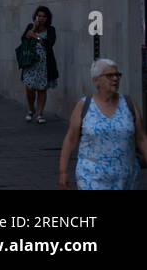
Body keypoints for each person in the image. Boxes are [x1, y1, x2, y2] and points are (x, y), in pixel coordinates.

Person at [59, 58, 147, 190]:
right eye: (109, 75)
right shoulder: (84, 105)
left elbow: (141, 138)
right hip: (91, 177)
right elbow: (71, 139)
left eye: (117, 75)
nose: (115, 79)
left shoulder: (129, 104)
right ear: (96, 80)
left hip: (126, 177)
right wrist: (63, 172)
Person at [20, 6, 58, 123]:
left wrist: (36, 36)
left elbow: (49, 44)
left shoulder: (51, 30)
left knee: (42, 89)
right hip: (30, 63)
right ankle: (31, 109)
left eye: (44, 16)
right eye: (39, 16)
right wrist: (34, 29)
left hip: (44, 64)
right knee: (30, 88)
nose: (41, 18)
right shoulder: (30, 27)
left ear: (47, 18)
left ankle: (40, 114)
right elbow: (24, 39)